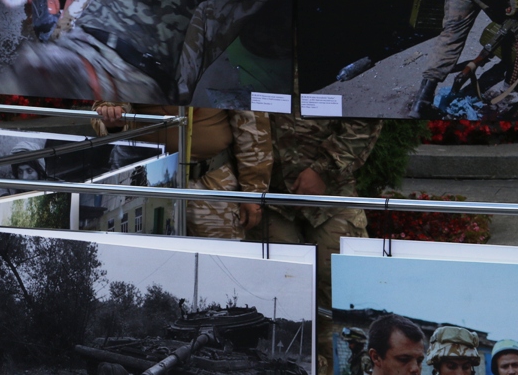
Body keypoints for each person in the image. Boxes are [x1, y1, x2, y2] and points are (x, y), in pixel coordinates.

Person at [247, 115, 382, 375]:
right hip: (271, 199)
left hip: (333, 197)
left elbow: (364, 120)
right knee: (278, 302)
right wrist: (250, 184)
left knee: (342, 304)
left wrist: (322, 170)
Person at [95, 103, 272, 239]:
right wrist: (112, 120)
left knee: (217, 263)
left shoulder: (221, 60)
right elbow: (103, 111)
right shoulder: (135, 60)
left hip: (211, 184)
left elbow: (251, 127)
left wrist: (253, 191)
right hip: (148, 182)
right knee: (145, 265)